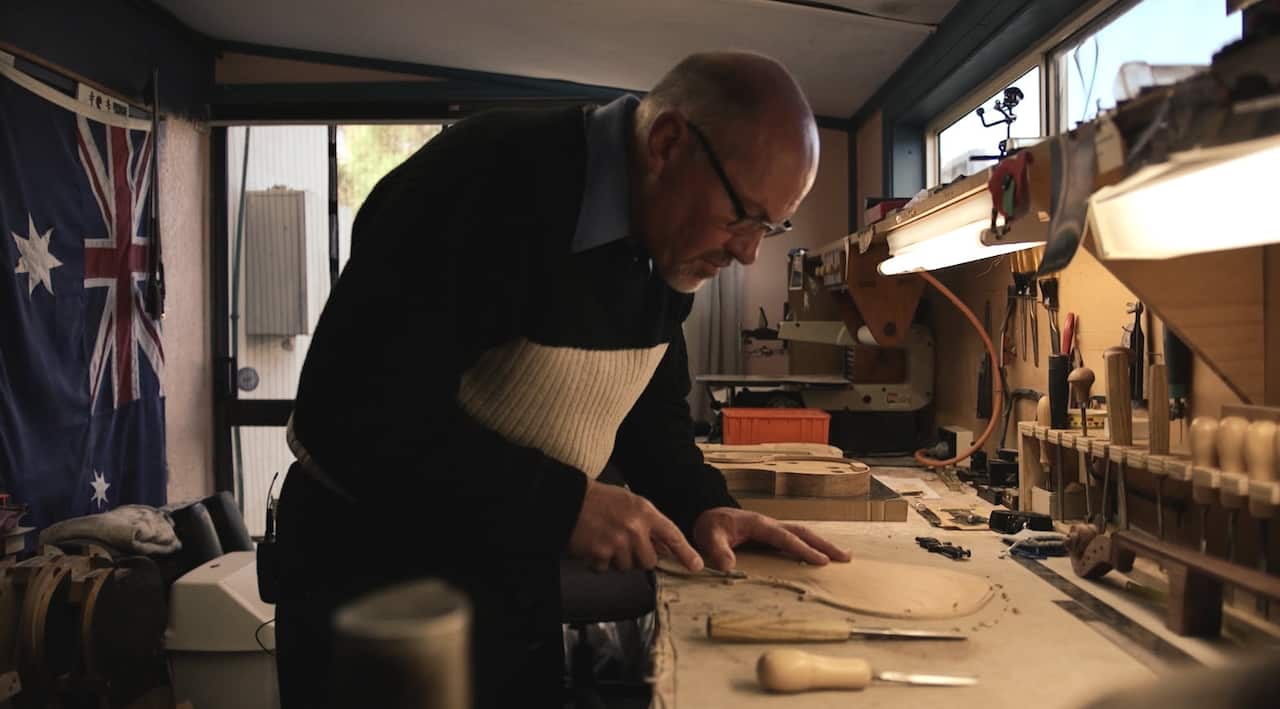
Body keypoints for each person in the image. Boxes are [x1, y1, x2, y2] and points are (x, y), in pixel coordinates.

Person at [274, 50, 852, 708]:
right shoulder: (486, 181)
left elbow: (648, 414)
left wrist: (702, 505)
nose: (748, 251)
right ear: (666, 143)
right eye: (742, 217)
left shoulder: (667, 246)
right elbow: (349, 414)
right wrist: (560, 503)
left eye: (770, 227)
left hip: (504, 574)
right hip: (373, 586)